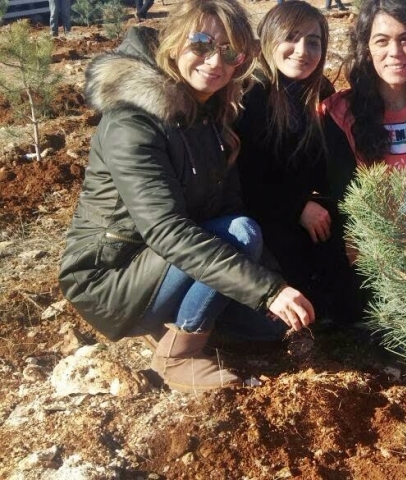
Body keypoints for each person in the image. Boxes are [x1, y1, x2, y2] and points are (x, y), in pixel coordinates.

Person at [59, 0, 315, 394]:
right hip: (111, 276)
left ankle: (176, 321)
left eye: (230, 52)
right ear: (174, 42)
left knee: (268, 329)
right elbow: (167, 231)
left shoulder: (209, 113)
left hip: (168, 266)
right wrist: (268, 289)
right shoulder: (132, 122)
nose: (215, 61)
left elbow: (226, 208)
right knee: (243, 234)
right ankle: (176, 354)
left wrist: (271, 281)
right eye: (201, 43)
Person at [236, 2, 351, 324]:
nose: (302, 50)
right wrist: (297, 206)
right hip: (262, 217)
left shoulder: (317, 91)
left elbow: (324, 166)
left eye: (313, 41)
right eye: (292, 37)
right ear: (269, 40)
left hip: (306, 209)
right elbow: (246, 178)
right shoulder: (252, 95)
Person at [323, 0, 406, 245]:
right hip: (374, 253)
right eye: (382, 40)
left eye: (405, 39)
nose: (395, 52)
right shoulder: (341, 113)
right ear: (366, 49)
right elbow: (340, 195)